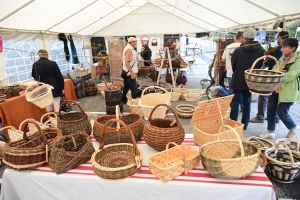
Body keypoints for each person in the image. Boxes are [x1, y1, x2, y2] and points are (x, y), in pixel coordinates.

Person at [259, 38, 300, 139]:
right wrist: (279, 74)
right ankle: (270, 131)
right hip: (276, 87)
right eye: (282, 47)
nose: (281, 49)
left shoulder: (298, 59)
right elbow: (274, 70)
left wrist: (278, 75)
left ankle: (293, 128)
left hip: (289, 89)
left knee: (281, 112)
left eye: (284, 47)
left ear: (293, 48)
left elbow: (290, 76)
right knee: (270, 109)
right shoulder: (284, 57)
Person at [230, 28, 265, 130]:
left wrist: (239, 72)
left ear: (244, 37)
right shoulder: (260, 50)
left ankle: (233, 124)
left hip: (238, 79)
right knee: (247, 102)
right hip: (251, 80)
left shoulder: (238, 50)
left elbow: (234, 65)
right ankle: (244, 124)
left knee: (235, 102)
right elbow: (260, 65)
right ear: (254, 37)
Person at [250, 31, 289, 124]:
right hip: (280, 76)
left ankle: (261, 116)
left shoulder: (280, 49)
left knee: (264, 95)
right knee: (274, 98)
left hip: (274, 77)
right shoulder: (289, 52)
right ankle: (274, 117)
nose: (282, 49)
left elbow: (273, 63)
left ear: (279, 37)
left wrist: (268, 60)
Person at [32, 49, 64, 115]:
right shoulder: (53, 63)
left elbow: (35, 77)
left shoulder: (35, 64)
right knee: (56, 105)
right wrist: (62, 88)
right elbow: (60, 77)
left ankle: (50, 121)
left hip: (43, 87)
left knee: (47, 105)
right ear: (47, 55)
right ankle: (57, 121)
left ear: (39, 55)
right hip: (55, 86)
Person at [221, 31, 244, 111]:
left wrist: (229, 60)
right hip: (241, 74)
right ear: (241, 38)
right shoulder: (243, 47)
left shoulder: (229, 47)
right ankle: (242, 106)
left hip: (230, 72)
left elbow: (223, 59)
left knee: (231, 90)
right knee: (241, 91)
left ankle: (230, 107)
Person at [121, 37, 139, 104]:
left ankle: (123, 99)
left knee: (126, 86)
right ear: (131, 42)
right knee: (134, 88)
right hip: (129, 73)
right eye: (135, 42)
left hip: (127, 72)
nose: (136, 43)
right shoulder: (129, 50)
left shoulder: (129, 49)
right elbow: (127, 63)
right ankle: (135, 103)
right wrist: (132, 73)